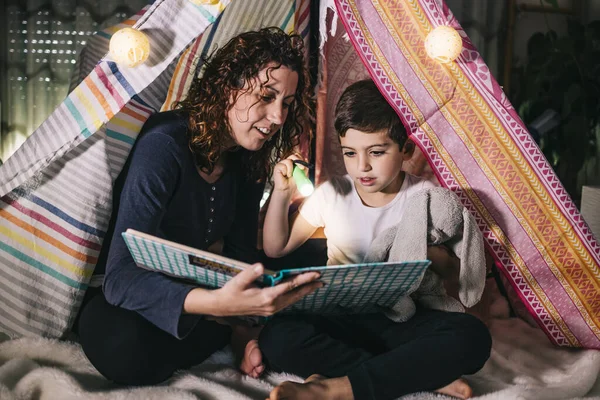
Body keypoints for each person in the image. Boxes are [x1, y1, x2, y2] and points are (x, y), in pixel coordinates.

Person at [74, 27, 323, 386]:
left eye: (286, 102)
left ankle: (229, 329)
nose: (279, 117)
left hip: (202, 289)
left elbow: (238, 257)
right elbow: (121, 277)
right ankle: (218, 327)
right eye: (267, 96)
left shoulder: (248, 157)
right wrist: (216, 306)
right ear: (228, 88)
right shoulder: (165, 144)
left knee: (314, 270)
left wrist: (239, 326)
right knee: (124, 348)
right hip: (136, 297)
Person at [260, 79, 492, 400]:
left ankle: (337, 385)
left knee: (472, 337)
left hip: (402, 318)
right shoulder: (334, 193)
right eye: (350, 153)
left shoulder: (426, 198)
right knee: (276, 333)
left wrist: (422, 254)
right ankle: (413, 376)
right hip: (341, 314)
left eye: (377, 152)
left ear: (406, 149)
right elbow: (276, 246)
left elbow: (458, 275)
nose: (362, 167)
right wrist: (282, 193)